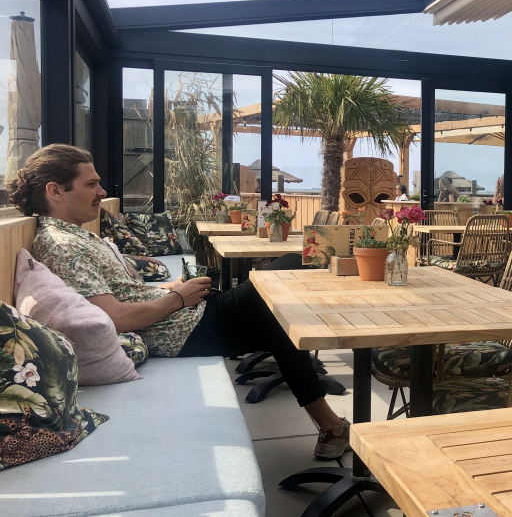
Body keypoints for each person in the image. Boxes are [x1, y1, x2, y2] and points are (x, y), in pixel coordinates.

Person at [6, 145, 351, 460]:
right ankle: (335, 404)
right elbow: (115, 319)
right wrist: (177, 298)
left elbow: (119, 293)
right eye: (91, 184)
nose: (101, 192)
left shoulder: (72, 237)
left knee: (278, 313)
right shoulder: (63, 245)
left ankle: (330, 425)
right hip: (185, 330)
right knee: (293, 267)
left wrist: (170, 289)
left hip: (186, 319)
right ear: (56, 191)